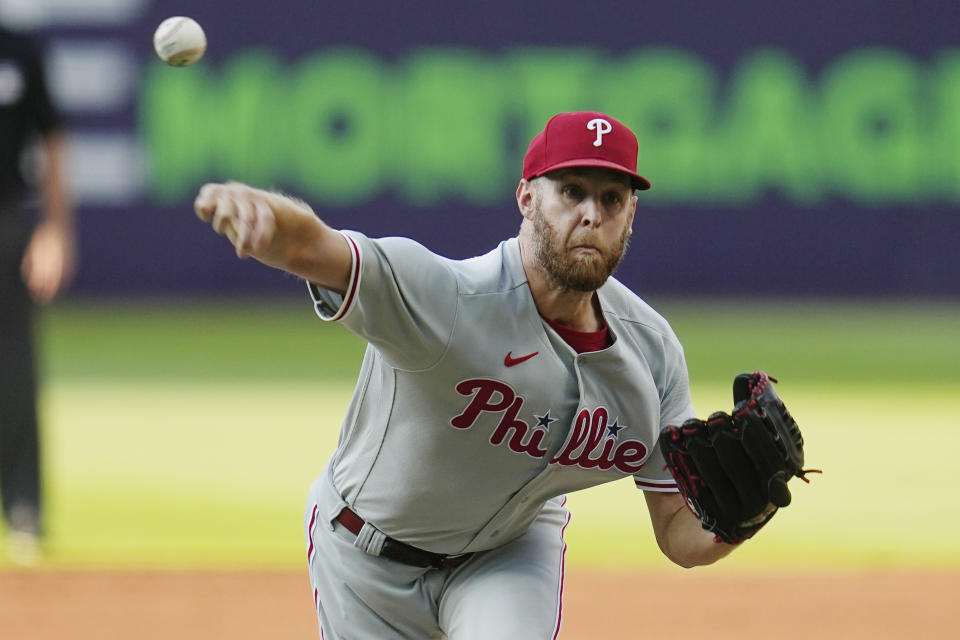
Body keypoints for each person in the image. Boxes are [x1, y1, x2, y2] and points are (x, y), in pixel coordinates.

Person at [193, 111, 737, 639]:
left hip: (508, 555)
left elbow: (678, 532)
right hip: (363, 558)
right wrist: (264, 210)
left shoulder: (652, 353)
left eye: (611, 198)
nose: (592, 213)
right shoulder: (447, 299)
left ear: (631, 214)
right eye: (572, 191)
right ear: (527, 198)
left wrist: (745, 512)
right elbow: (314, 245)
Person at [0, 24, 74, 565]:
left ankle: (24, 512)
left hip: (6, 223)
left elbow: (51, 140)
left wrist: (56, 229)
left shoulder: (18, 50)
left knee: (14, 373)